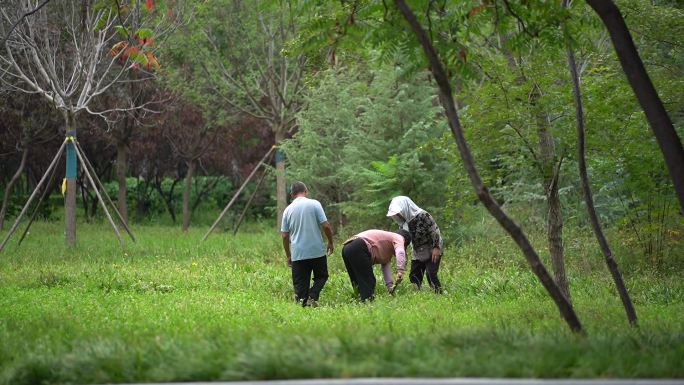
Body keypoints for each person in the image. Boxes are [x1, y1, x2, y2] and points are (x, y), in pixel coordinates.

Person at [281, 181, 334, 307]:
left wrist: (289, 255)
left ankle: (305, 301)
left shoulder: (288, 210)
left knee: (300, 289)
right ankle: (313, 296)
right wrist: (330, 242)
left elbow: (284, 235)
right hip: (317, 251)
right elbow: (326, 226)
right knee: (322, 276)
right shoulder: (315, 204)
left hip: (298, 254)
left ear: (292, 194)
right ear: (306, 191)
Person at [387, 196, 444, 293]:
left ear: (405, 208)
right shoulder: (403, 223)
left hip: (432, 248)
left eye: (398, 212)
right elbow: (403, 240)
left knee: (431, 274)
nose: (397, 215)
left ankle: (438, 293)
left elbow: (435, 231)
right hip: (417, 251)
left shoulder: (423, 215)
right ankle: (417, 295)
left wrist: (436, 247)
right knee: (414, 276)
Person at [341, 229, 411, 301]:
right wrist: (400, 271)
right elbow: (400, 252)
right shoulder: (399, 237)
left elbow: (385, 268)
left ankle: (359, 300)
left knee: (357, 279)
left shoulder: (387, 248)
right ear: (404, 243)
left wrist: (390, 287)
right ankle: (368, 303)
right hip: (358, 246)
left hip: (347, 248)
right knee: (368, 280)